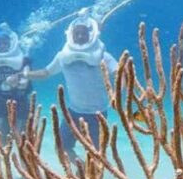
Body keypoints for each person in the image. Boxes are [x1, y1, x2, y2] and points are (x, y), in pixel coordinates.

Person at [25, 11, 118, 160]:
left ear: (91, 35)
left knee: (97, 155)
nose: (80, 36)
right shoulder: (63, 56)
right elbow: (45, 73)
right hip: (73, 112)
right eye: (77, 33)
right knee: (62, 148)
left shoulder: (103, 56)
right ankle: (80, 169)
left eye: (83, 33)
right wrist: (24, 75)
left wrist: (116, 97)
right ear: (70, 35)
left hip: (98, 114)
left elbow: (120, 73)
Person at [0, 23, 32, 142]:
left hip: (22, 104)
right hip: (1, 105)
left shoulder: (22, 59)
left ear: (11, 44)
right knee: (0, 145)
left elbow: (25, 83)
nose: (3, 46)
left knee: (23, 145)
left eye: (6, 43)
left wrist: (17, 78)